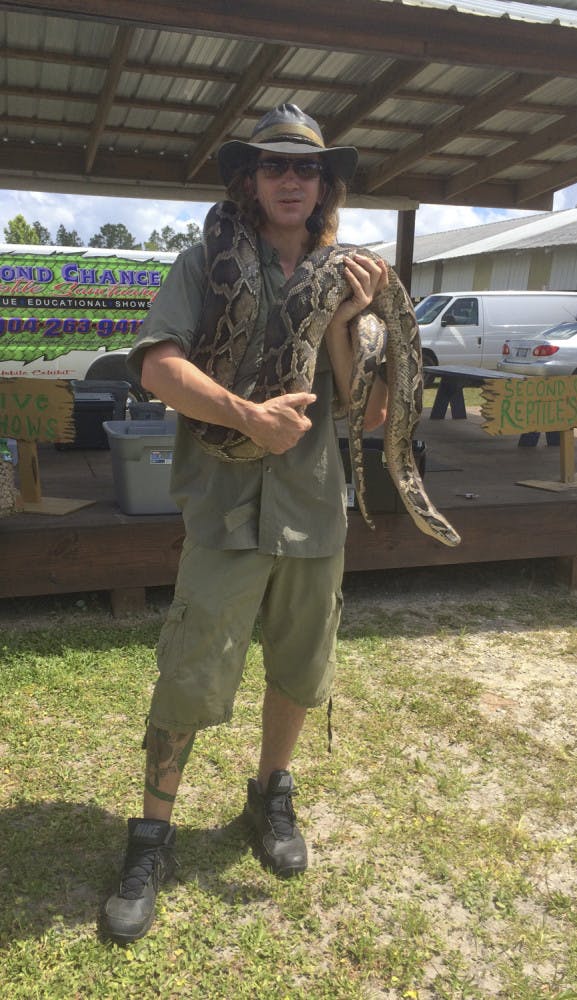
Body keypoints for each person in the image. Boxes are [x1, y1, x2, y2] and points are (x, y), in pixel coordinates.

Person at [102, 104, 389, 944]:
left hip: (311, 509)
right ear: (250, 180)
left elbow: (368, 413)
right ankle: (151, 834)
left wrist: (348, 322)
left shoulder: (350, 275)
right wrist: (246, 417)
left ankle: (270, 794)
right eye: (274, 166)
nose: (291, 179)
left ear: (324, 185)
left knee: (297, 667)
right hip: (225, 509)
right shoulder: (205, 259)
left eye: (306, 168)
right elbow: (158, 368)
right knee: (190, 671)